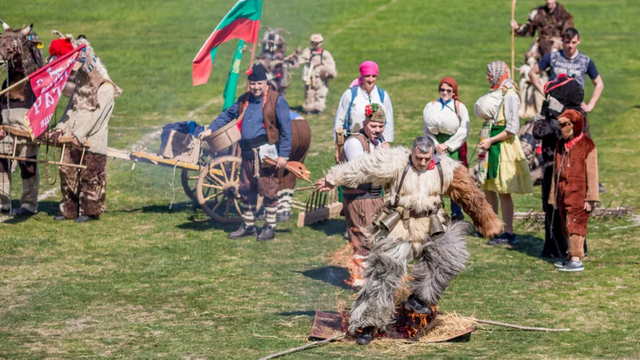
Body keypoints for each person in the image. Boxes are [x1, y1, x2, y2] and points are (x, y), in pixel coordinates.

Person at [314, 136, 502, 345]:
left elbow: (470, 194)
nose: (422, 163)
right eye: (418, 158)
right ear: (412, 152)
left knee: (451, 255)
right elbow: (362, 167)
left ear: (433, 154)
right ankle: (368, 324)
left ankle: (419, 300)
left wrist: (486, 220)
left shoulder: (447, 168)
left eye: (426, 159)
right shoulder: (395, 161)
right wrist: (333, 178)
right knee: (383, 273)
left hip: (432, 225)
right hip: (398, 226)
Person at [199, 63, 291, 241]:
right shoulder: (244, 99)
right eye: (253, 83)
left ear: (266, 82)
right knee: (246, 189)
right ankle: (248, 225)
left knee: (268, 189)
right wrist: (211, 130)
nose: (256, 87)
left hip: (267, 154)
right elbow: (227, 115)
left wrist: (283, 155)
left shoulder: (277, 100)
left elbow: (286, 129)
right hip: (247, 152)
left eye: (259, 83)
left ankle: (270, 226)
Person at [50, 34, 122, 222]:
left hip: (93, 140)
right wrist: (60, 127)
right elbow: (70, 109)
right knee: (67, 171)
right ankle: (69, 209)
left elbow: (96, 117)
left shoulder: (105, 89)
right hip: (71, 136)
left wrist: (79, 135)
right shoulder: (79, 89)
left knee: (91, 175)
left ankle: (90, 211)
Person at [475, 61, 533, 245]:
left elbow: (512, 128)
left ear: (499, 74)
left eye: (490, 74)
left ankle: (508, 232)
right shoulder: (497, 92)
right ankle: (492, 226)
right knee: (488, 187)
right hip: (489, 143)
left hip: (503, 145)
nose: (487, 77)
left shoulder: (510, 96)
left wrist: (491, 140)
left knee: (502, 190)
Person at [341, 104, 389, 288]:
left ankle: (372, 278)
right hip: (360, 197)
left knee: (376, 238)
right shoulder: (354, 142)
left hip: (375, 196)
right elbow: (362, 169)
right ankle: (360, 281)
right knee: (362, 238)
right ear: (364, 123)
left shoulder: (376, 142)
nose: (377, 130)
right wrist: (381, 155)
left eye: (380, 126)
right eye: (373, 126)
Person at [0, 23, 43, 216]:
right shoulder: (6, 81)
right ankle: (3, 202)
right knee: (2, 165)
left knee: (28, 166)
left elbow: (42, 106)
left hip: (27, 130)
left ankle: (28, 205)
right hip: (6, 129)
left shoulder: (35, 81)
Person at [549, 110, 599, 272]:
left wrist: (591, 198)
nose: (563, 128)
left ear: (576, 125)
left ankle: (577, 258)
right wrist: (553, 196)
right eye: (561, 125)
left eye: (567, 125)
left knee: (576, 224)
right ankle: (570, 255)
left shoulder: (587, 145)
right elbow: (556, 172)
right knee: (565, 223)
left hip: (579, 193)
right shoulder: (560, 145)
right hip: (563, 192)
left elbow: (593, 173)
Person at [423, 77, 470, 221]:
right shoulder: (431, 106)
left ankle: (456, 211)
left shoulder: (459, 106)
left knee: (454, 178)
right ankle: (437, 208)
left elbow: (464, 129)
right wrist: (436, 143)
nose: (445, 93)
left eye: (448, 90)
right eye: (442, 90)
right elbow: (426, 129)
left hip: (453, 145)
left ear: (453, 92)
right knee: (435, 175)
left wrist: (448, 145)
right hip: (436, 144)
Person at [529, 28, 604, 114]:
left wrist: (591, 105)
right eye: (567, 42)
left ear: (579, 41)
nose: (570, 46)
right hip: (554, 108)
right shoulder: (553, 57)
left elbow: (599, 84)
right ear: (562, 41)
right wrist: (543, 91)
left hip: (575, 109)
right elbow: (532, 73)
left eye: (574, 42)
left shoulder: (585, 61)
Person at [334, 61, 394, 163]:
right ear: (362, 76)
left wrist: (386, 142)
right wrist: (337, 147)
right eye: (367, 76)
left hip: (376, 140)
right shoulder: (350, 94)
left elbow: (389, 120)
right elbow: (339, 119)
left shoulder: (382, 95)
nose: (371, 80)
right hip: (354, 139)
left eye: (374, 76)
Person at [274, 111, 311, 222]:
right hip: (304, 125)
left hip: (288, 128)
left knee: (277, 167)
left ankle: (277, 208)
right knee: (292, 168)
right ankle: (285, 207)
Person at [296, 34, 337, 114]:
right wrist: (296, 56)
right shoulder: (308, 52)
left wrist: (328, 73)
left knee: (321, 93)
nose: (315, 45)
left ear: (321, 43)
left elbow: (330, 65)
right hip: (310, 76)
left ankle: (319, 108)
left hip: (320, 77)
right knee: (309, 93)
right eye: (314, 43)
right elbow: (301, 59)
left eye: (317, 43)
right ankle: (309, 108)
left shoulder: (325, 54)